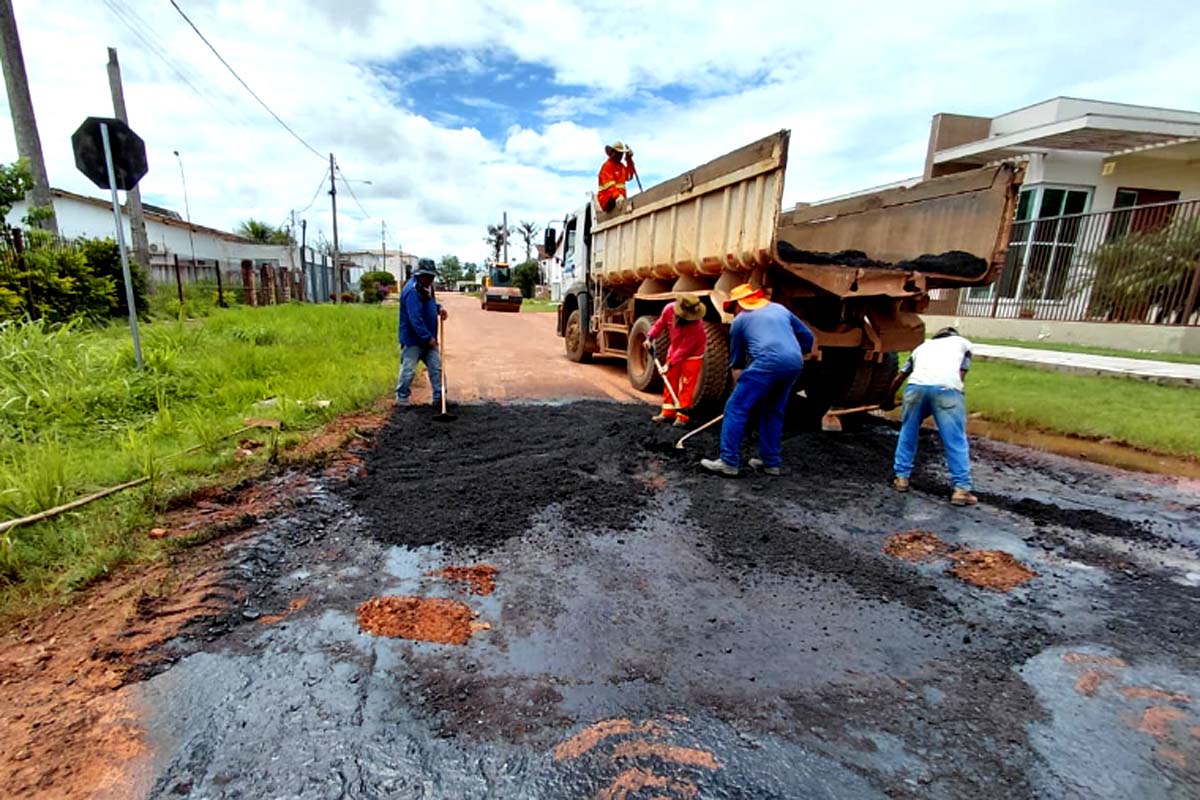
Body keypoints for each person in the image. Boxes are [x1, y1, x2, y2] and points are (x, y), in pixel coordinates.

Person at [701, 284, 813, 477]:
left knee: (736, 408)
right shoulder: (780, 309)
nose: (733, 313)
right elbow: (807, 337)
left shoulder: (741, 320)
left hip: (766, 364)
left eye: (732, 309)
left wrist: (740, 384)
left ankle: (728, 461)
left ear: (739, 304)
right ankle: (771, 463)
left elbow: (736, 360)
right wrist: (790, 354)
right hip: (794, 363)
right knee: (773, 411)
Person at [889, 326, 977, 505]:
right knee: (955, 439)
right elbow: (961, 375)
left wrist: (887, 398)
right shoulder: (963, 344)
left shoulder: (922, 348)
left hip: (915, 389)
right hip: (947, 390)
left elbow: (900, 376)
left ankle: (901, 479)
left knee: (908, 432)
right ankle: (961, 489)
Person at [645, 293, 707, 427]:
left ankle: (682, 416)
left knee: (687, 384)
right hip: (674, 349)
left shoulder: (696, 325)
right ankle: (667, 412)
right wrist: (649, 337)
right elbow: (659, 324)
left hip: (693, 354)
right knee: (670, 379)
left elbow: (685, 349)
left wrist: (670, 363)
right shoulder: (669, 309)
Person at [396, 259, 449, 408]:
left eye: (432, 276)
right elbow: (415, 319)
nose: (430, 279)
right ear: (419, 275)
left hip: (429, 338)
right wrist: (427, 338)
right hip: (413, 340)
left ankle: (440, 399)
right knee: (408, 371)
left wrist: (439, 308)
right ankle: (402, 399)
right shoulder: (412, 291)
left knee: (437, 369)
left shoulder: (427, 287)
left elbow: (429, 304)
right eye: (427, 276)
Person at [597, 141, 636, 213]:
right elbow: (609, 185)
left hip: (619, 199)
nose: (620, 156)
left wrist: (629, 160)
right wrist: (617, 196)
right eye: (618, 153)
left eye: (621, 154)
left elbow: (629, 176)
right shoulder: (607, 166)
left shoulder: (621, 167)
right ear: (612, 153)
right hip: (607, 200)